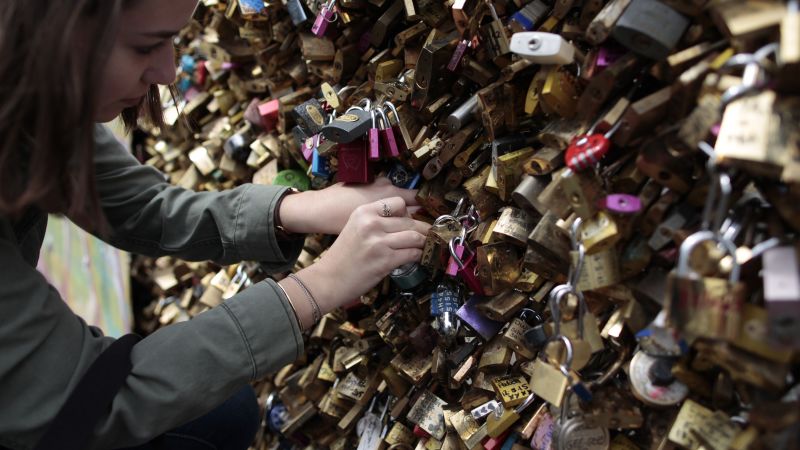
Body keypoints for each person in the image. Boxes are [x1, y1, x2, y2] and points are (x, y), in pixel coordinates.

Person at [0, 0, 430, 449]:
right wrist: (320, 284)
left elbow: (143, 207)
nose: (167, 73)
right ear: (55, 34)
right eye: (145, 46)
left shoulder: (28, 92)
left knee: (223, 413)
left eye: (173, 40)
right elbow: (83, 404)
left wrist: (297, 210)